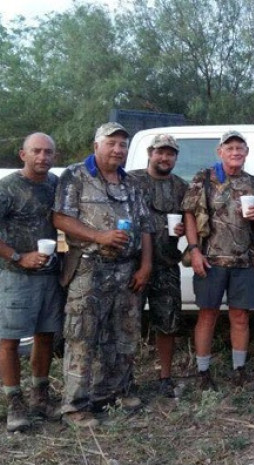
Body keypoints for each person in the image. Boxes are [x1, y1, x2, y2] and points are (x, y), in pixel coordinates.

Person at [53, 122, 154, 428]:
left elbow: (146, 226)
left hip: (126, 270)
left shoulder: (130, 183)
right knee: (82, 335)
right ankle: (75, 406)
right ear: (96, 145)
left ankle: (114, 392)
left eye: (122, 144)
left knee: (123, 334)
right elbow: (60, 218)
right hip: (88, 268)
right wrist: (100, 236)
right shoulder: (75, 176)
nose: (118, 149)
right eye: (111, 143)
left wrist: (146, 265)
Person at [0, 133, 64, 432]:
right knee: (9, 340)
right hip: (15, 276)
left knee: (46, 336)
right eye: (36, 151)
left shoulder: (54, 185)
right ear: (22, 155)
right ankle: (14, 401)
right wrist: (17, 256)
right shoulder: (7, 188)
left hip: (48, 274)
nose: (42, 157)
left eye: (48, 152)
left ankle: (40, 395)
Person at [182, 130, 254, 392]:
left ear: (246, 153)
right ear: (220, 152)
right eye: (229, 148)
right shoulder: (204, 178)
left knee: (240, 317)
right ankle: (203, 373)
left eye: (239, 148)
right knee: (207, 316)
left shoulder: (253, 184)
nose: (235, 152)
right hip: (210, 260)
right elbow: (188, 215)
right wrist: (194, 250)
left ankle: (239, 370)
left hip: (243, 261)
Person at [128, 134, 188, 398]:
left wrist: (183, 230)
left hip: (166, 265)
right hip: (132, 266)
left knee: (168, 323)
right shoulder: (131, 180)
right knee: (127, 324)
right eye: (160, 152)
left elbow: (193, 222)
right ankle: (124, 379)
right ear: (150, 153)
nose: (164, 158)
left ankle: (165, 377)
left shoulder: (181, 187)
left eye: (170, 153)